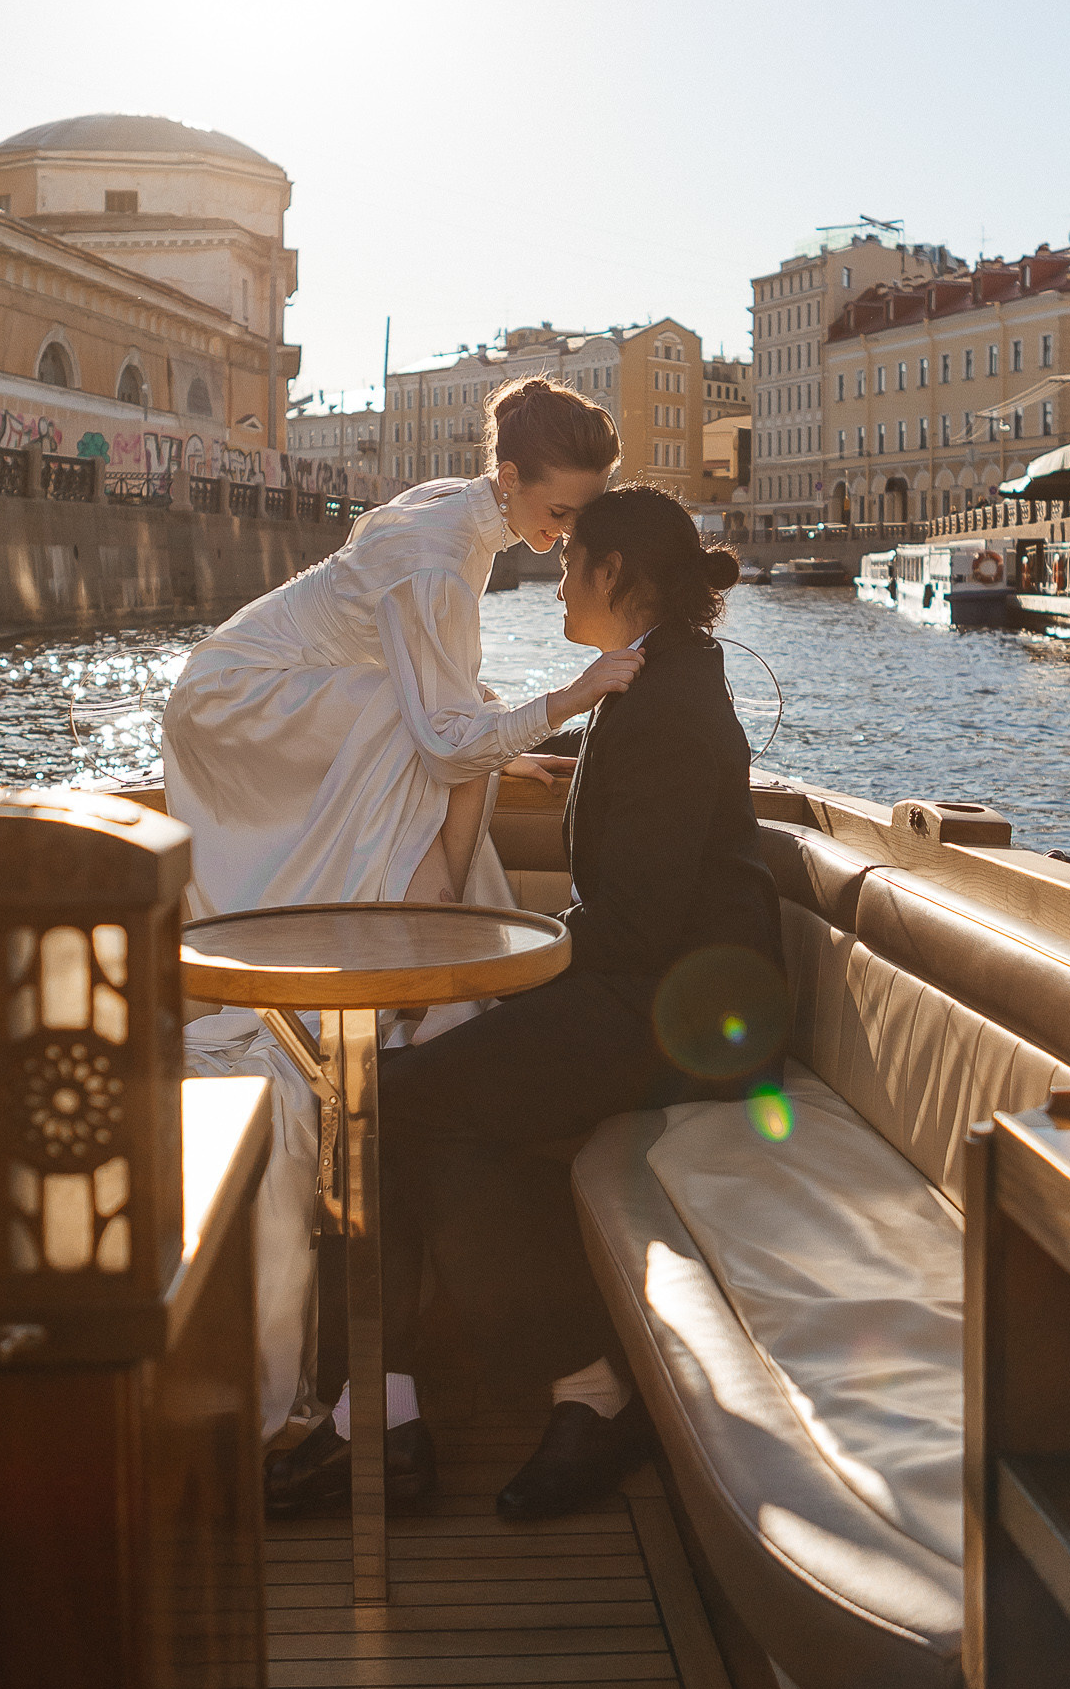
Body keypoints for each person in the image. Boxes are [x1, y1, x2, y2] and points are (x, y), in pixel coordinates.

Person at [265, 485, 786, 1525]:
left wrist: (501, 966)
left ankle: (413, 1414)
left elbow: (634, 922)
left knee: (390, 1104)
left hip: (683, 1015)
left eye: (568, 562)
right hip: (653, 993)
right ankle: (442, 1412)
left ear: (613, 573)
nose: (555, 579)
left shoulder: (669, 707)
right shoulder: (660, 683)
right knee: (410, 1112)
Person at [164, 378, 639, 1434]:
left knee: (435, 725)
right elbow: (437, 732)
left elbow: (448, 717)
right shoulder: (438, 551)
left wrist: (497, 751)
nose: (562, 536)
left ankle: (426, 992)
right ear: (508, 478)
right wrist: (573, 695)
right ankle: (431, 979)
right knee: (422, 726)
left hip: (293, 702)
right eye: (556, 513)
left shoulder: (462, 518)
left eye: (578, 517)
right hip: (235, 705)